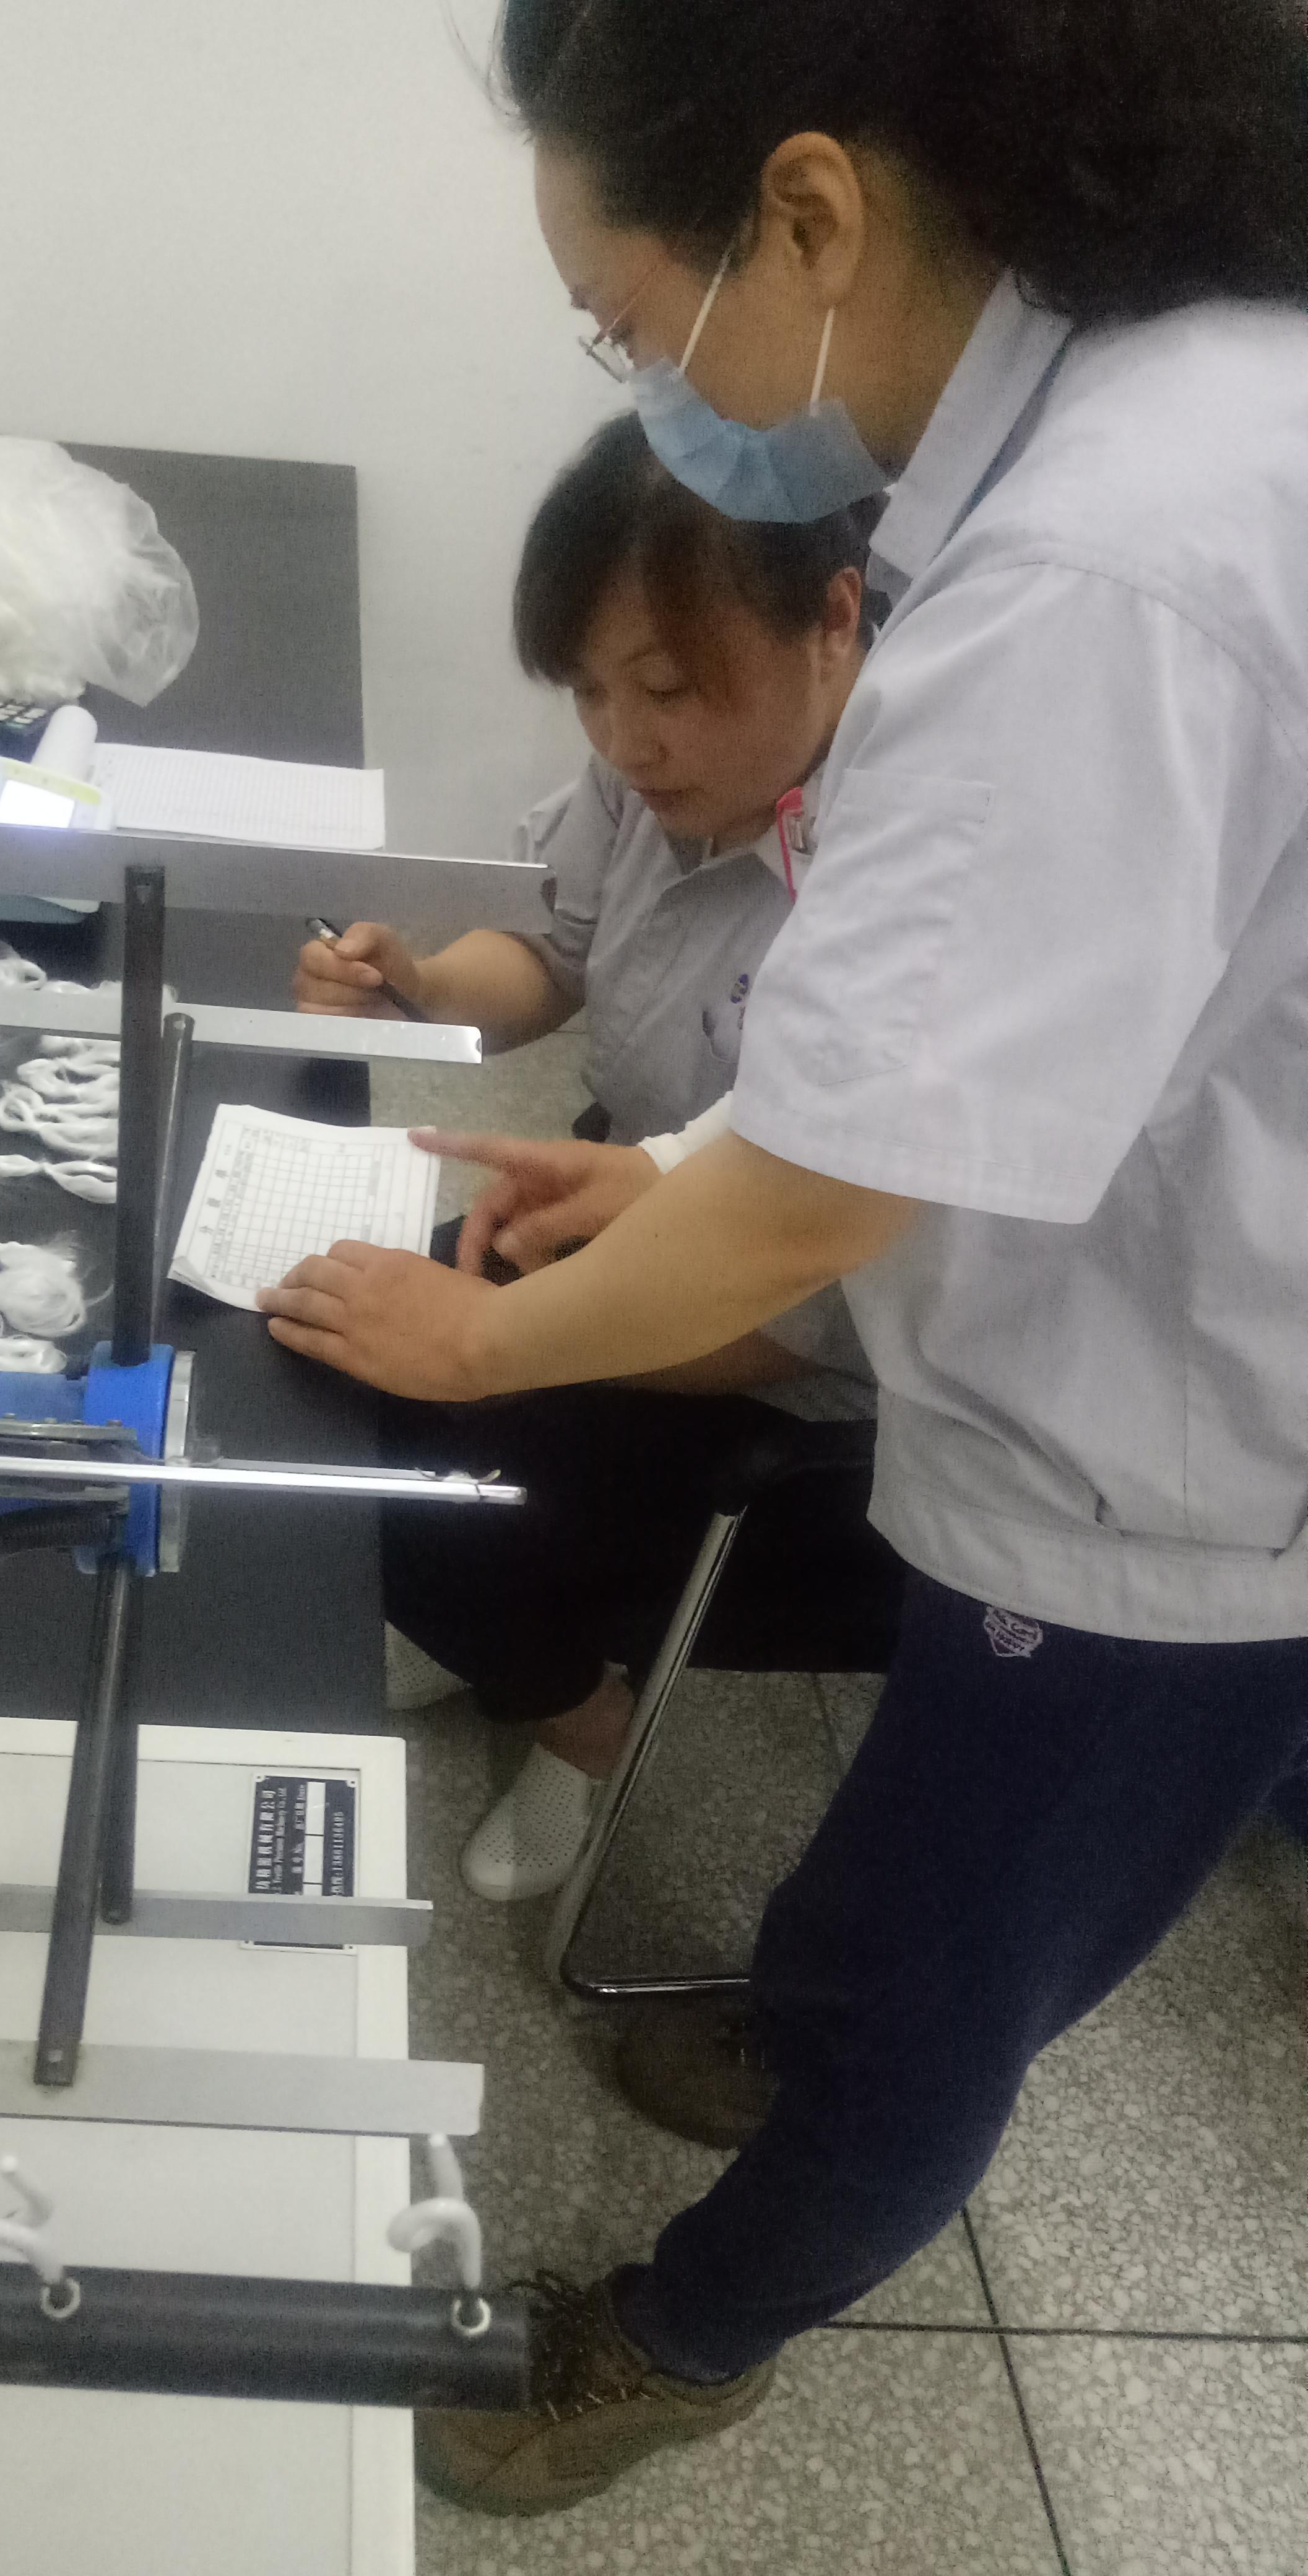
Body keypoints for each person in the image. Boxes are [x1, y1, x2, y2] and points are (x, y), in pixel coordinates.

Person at [258, 0, 1308, 2520]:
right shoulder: (1158, 427)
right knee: (901, 1880)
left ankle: (693, 2328)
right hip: (1103, 1352)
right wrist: (677, 1170)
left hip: (1173, 1469)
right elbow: (959, 1018)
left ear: (810, 215)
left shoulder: (1101, 562)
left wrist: (491, 1334)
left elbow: (844, 1179)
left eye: (631, 326)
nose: (652, 394)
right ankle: (819, 2018)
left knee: (950, 1968)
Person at [294, 414, 878, 1900]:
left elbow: (804, 1308)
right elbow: (550, 955)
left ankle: (581, 1721)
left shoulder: (901, 873)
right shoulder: (650, 778)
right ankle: (501, 1632)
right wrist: (422, 984)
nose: (626, 740)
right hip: (607, 1206)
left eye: (668, 688)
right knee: (321, 1360)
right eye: (592, 693)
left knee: (431, 1480)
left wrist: (501, 1342)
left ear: (835, 620)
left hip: (781, 1347)